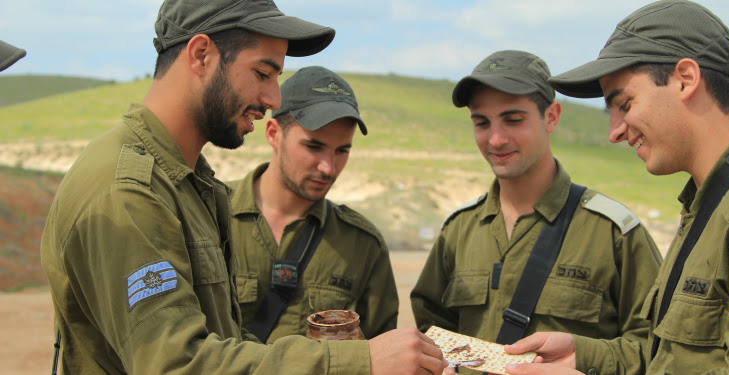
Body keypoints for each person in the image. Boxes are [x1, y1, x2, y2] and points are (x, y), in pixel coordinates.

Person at [40, 0, 447, 374]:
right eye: (262, 73)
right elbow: (177, 364)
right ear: (201, 55)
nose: (273, 97)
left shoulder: (189, 184)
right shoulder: (128, 190)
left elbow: (224, 342)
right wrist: (359, 362)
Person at [505, 1, 729, 375]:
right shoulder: (711, 206)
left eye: (624, 103)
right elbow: (671, 360)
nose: (614, 131)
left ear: (685, 78)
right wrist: (583, 357)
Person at [410, 50, 663, 373]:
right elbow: (432, 333)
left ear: (552, 117)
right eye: (482, 123)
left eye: (513, 120)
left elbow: (658, 349)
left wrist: (583, 359)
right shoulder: (458, 231)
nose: (496, 139)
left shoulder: (613, 233)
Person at [229, 65, 399, 343]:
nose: (328, 168)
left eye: (342, 150)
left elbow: (382, 354)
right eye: (313, 146)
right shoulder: (209, 214)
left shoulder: (363, 244)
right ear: (273, 134)